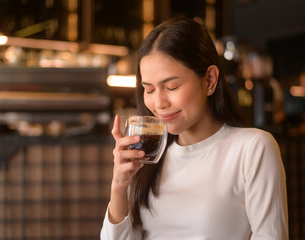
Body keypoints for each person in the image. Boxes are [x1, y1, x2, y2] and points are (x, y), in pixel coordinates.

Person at [101, 17, 288, 239]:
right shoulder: (148, 158)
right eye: (149, 90)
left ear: (209, 80)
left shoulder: (253, 148)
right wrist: (119, 185)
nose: (159, 103)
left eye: (172, 86)